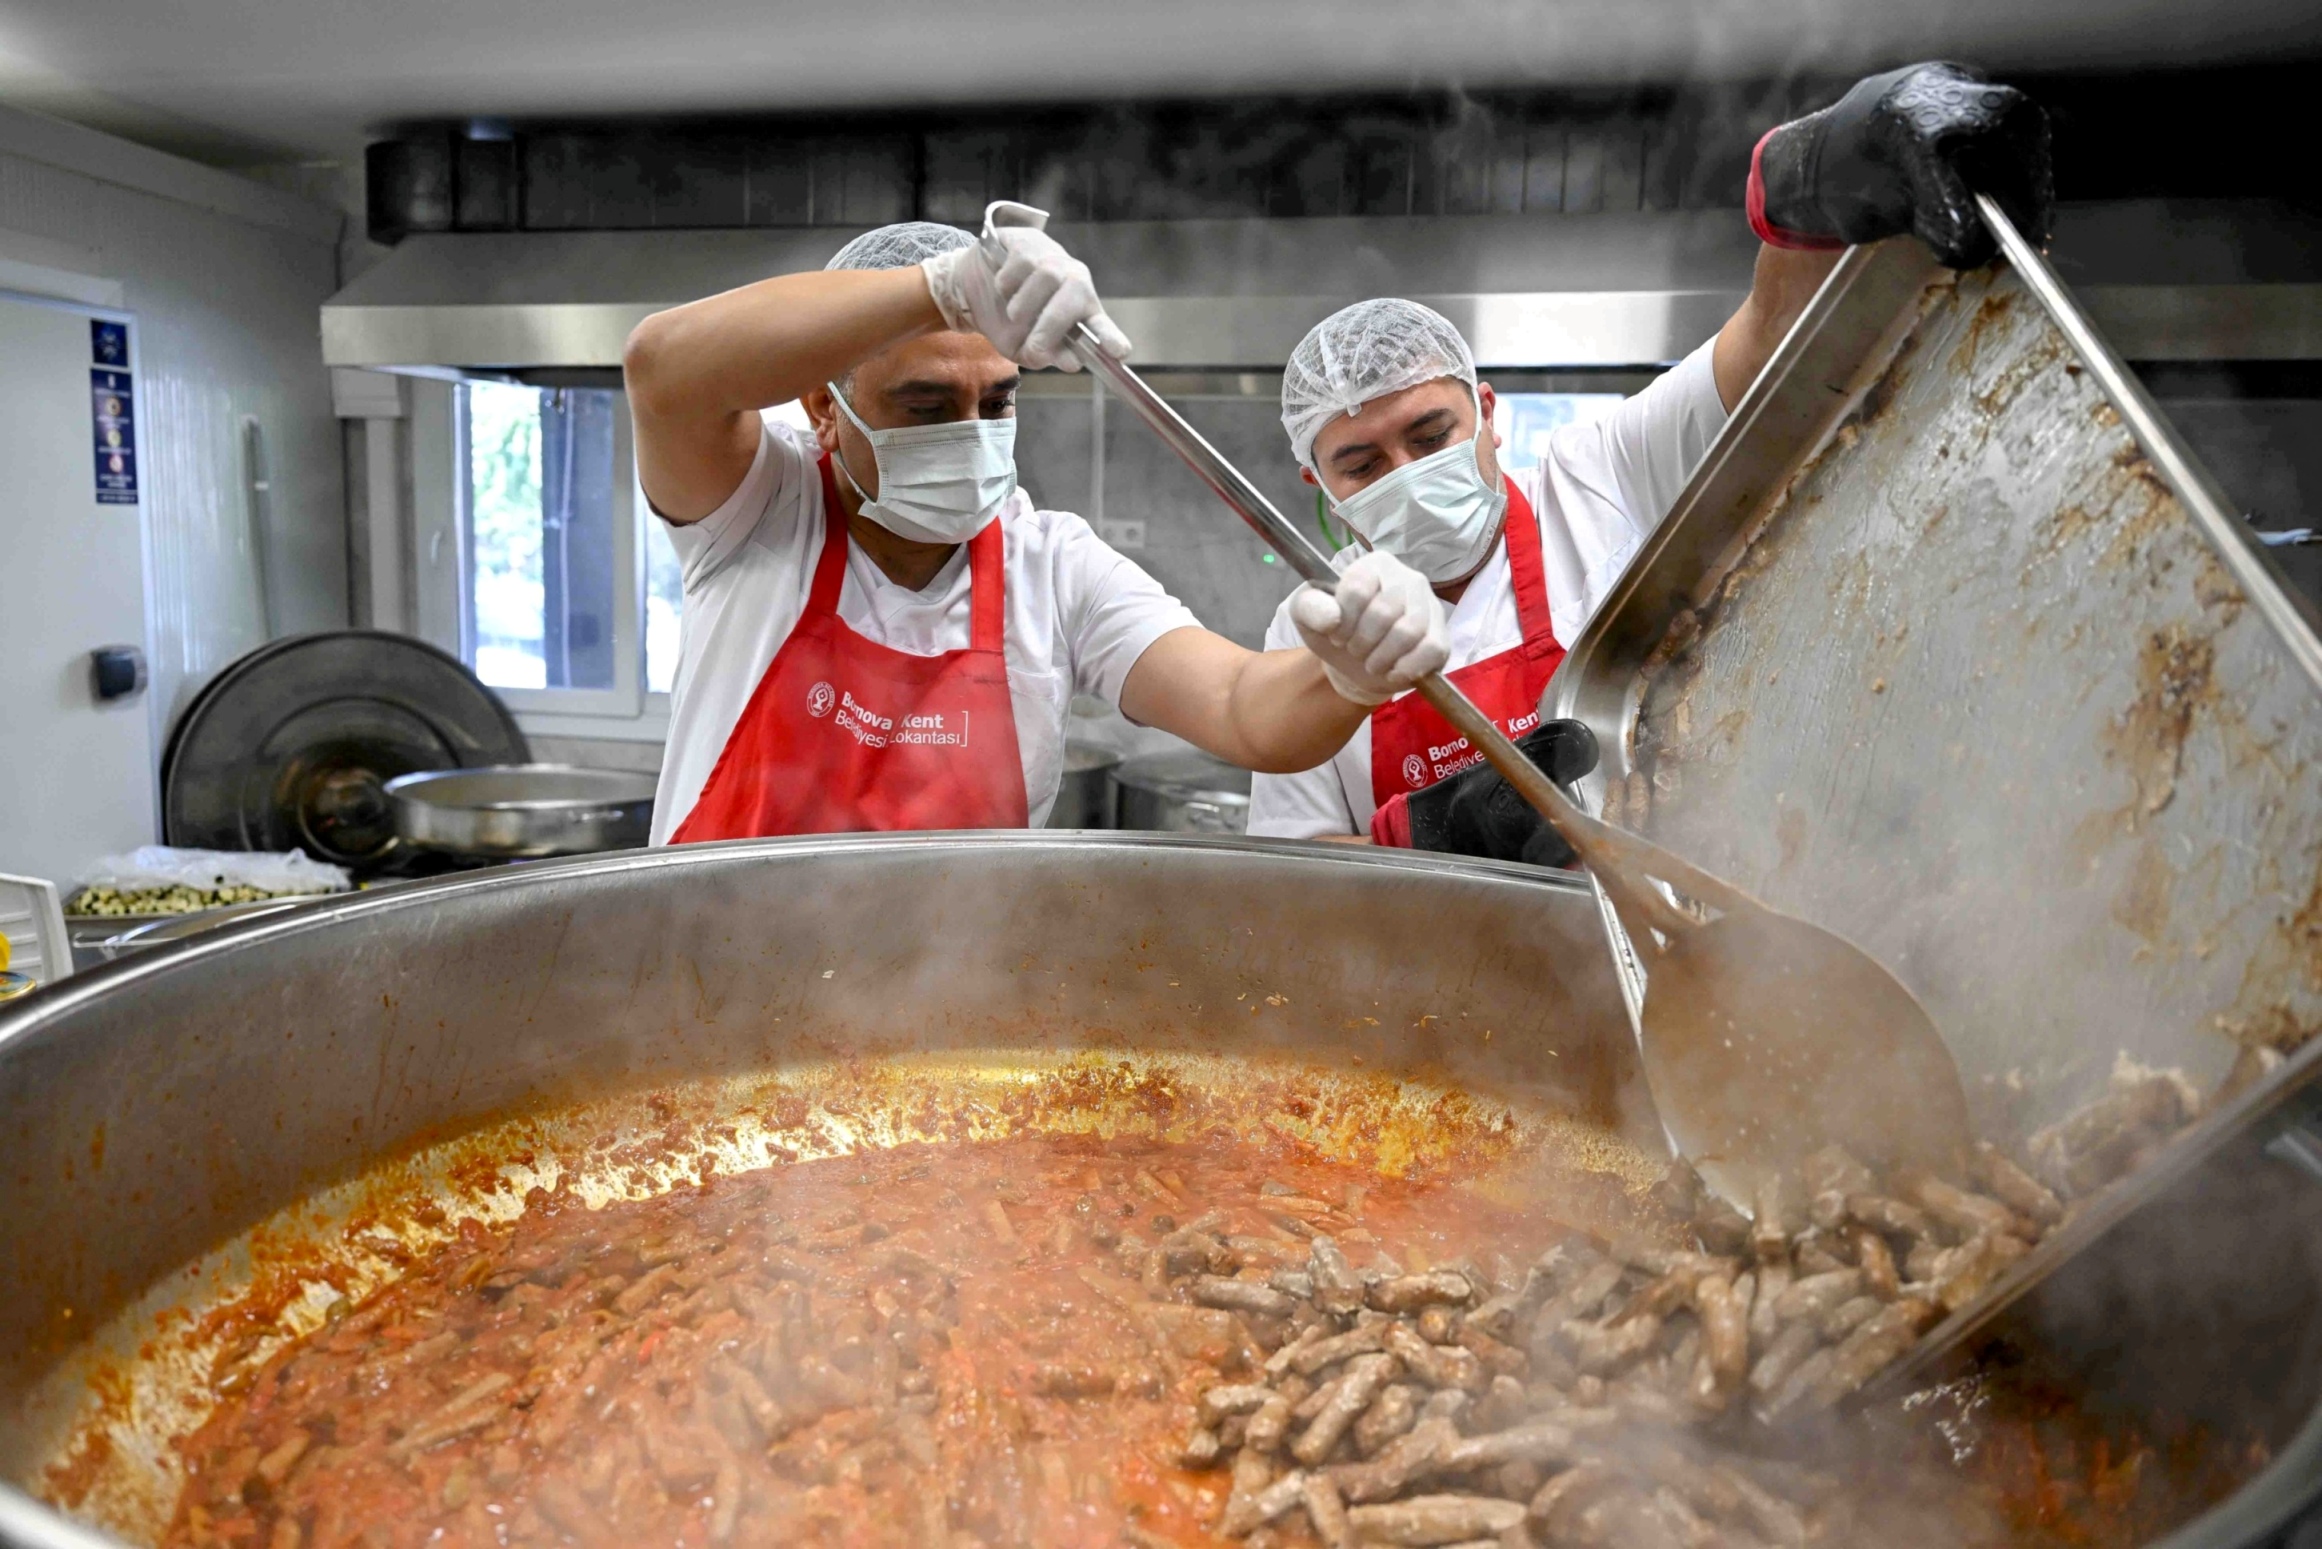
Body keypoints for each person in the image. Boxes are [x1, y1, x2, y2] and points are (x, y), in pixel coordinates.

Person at [1247, 61, 2053, 861]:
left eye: (1430, 437)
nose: (1407, 475)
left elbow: (1768, 340)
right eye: (1362, 464)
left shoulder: (1599, 475)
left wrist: (1813, 171)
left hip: (1645, 939)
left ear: (1489, 414)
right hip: (1430, 977)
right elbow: (1292, 872)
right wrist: (1428, 834)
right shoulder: (1308, 631)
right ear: (1321, 486)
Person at [625, 204, 1450, 842]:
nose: (972, 433)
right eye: (927, 406)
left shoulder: (1050, 567)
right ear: (823, 407)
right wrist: (941, 289)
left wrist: (1348, 674)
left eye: (995, 401)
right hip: (715, 1009)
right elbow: (661, 369)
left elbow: (1240, 704)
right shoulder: (758, 504)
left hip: (956, 1027)